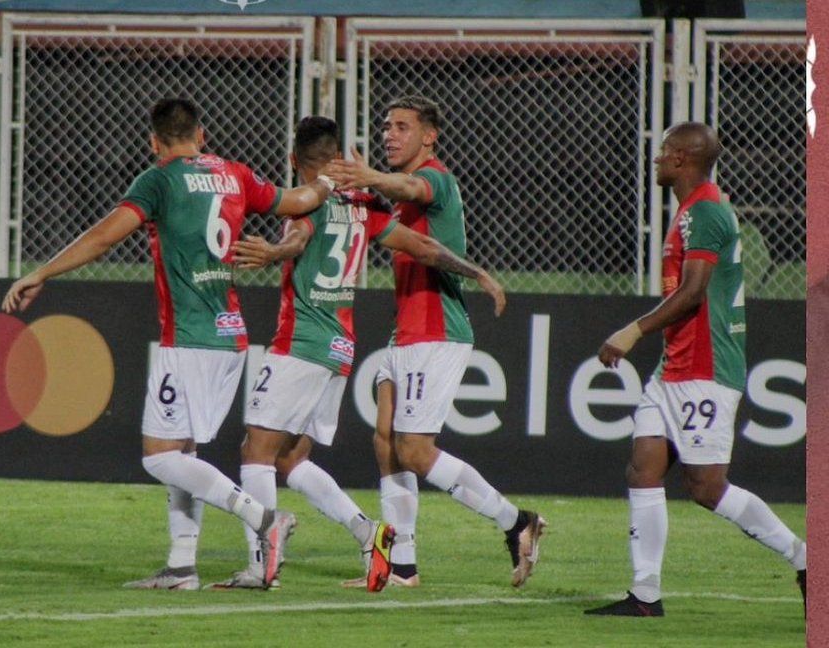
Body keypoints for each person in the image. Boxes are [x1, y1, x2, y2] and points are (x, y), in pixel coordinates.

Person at [2, 97, 333, 590]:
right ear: (202, 135)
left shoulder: (157, 179)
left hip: (189, 337)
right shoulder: (236, 174)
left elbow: (103, 238)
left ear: (153, 143)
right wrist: (329, 180)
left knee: (159, 456)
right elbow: (300, 201)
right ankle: (181, 567)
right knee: (184, 452)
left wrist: (42, 271)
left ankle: (265, 520)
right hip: (231, 336)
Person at [222, 116, 507, 592]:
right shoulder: (364, 204)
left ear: (295, 160)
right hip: (340, 346)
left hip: (302, 341)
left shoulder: (309, 198)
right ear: (339, 158)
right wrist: (477, 272)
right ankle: (368, 531)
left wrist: (274, 253)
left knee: (257, 449)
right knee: (291, 460)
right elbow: (421, 245)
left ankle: (260, 562)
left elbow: (298, 237)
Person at [583, 122, 807, 617]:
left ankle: (806, 558)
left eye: (663, 152)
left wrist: (632, 331)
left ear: (682, 159)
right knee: (643, 468)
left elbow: (692, 293)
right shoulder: (692, 209)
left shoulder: (705, 211)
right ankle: (645, 595)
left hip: (705, 367)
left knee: (706, 487)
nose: (657, 160)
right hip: (673, 369)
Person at [325, 95, 544, 589]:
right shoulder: (401, 199)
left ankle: (516, 521)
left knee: (417, 451)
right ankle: (402, 566)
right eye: (386, 126)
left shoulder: (436, 180)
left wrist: (373, 180)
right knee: (386, 444)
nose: (389, 134)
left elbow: (409, 185)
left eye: (402, 126)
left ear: (429, 136)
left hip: (437, 331)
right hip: (405, 332)